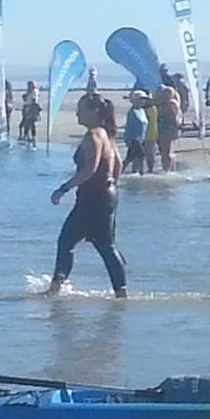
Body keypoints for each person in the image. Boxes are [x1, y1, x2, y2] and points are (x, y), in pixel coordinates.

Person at [47, 93, 127, 298]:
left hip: (92, 198)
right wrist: (110, 186)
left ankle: (55, 288)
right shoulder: (107, 135)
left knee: (67, 241)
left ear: (94, 111)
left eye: (81, 109)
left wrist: (63, 188)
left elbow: (89, 169)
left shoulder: (93, 135)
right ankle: (121, 293)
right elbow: (117, 165)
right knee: (105, 245)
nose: (76, 113)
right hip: (106, 196)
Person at [154, 85, 180, 171]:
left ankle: (167, 168)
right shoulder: (170, 102)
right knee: (167, 151)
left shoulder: (170, 103)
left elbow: (169, 116)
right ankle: (169, 168)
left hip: (167, 129)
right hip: (167, 129)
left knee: (166, 152)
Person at [123, 90, 149, 175]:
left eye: (144, 99)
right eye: (141, 99)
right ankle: (141, 173)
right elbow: (129, 127)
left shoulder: (142, 111)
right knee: (141, 155)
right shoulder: (132, 112)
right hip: (134, 139)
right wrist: (128, 139)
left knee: (130, 157)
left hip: (141, 138)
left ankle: (120, 171)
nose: (143, 101)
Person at [18, 81, 42, 145]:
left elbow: (34, 100)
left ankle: (32, 137)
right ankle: (27, 136)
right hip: (28, 108)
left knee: (30, 123)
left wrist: (31, 109)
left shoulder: (34, 91)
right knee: (28, 123)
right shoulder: (30, 91)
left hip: (31, 109)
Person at [143, 93, 158, 173]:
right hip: (152, 135)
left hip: (148, 135)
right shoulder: (154, 108)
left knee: (148, 154)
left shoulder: (148, 110)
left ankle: (150, 169)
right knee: (150, 154)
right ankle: (150, 169)